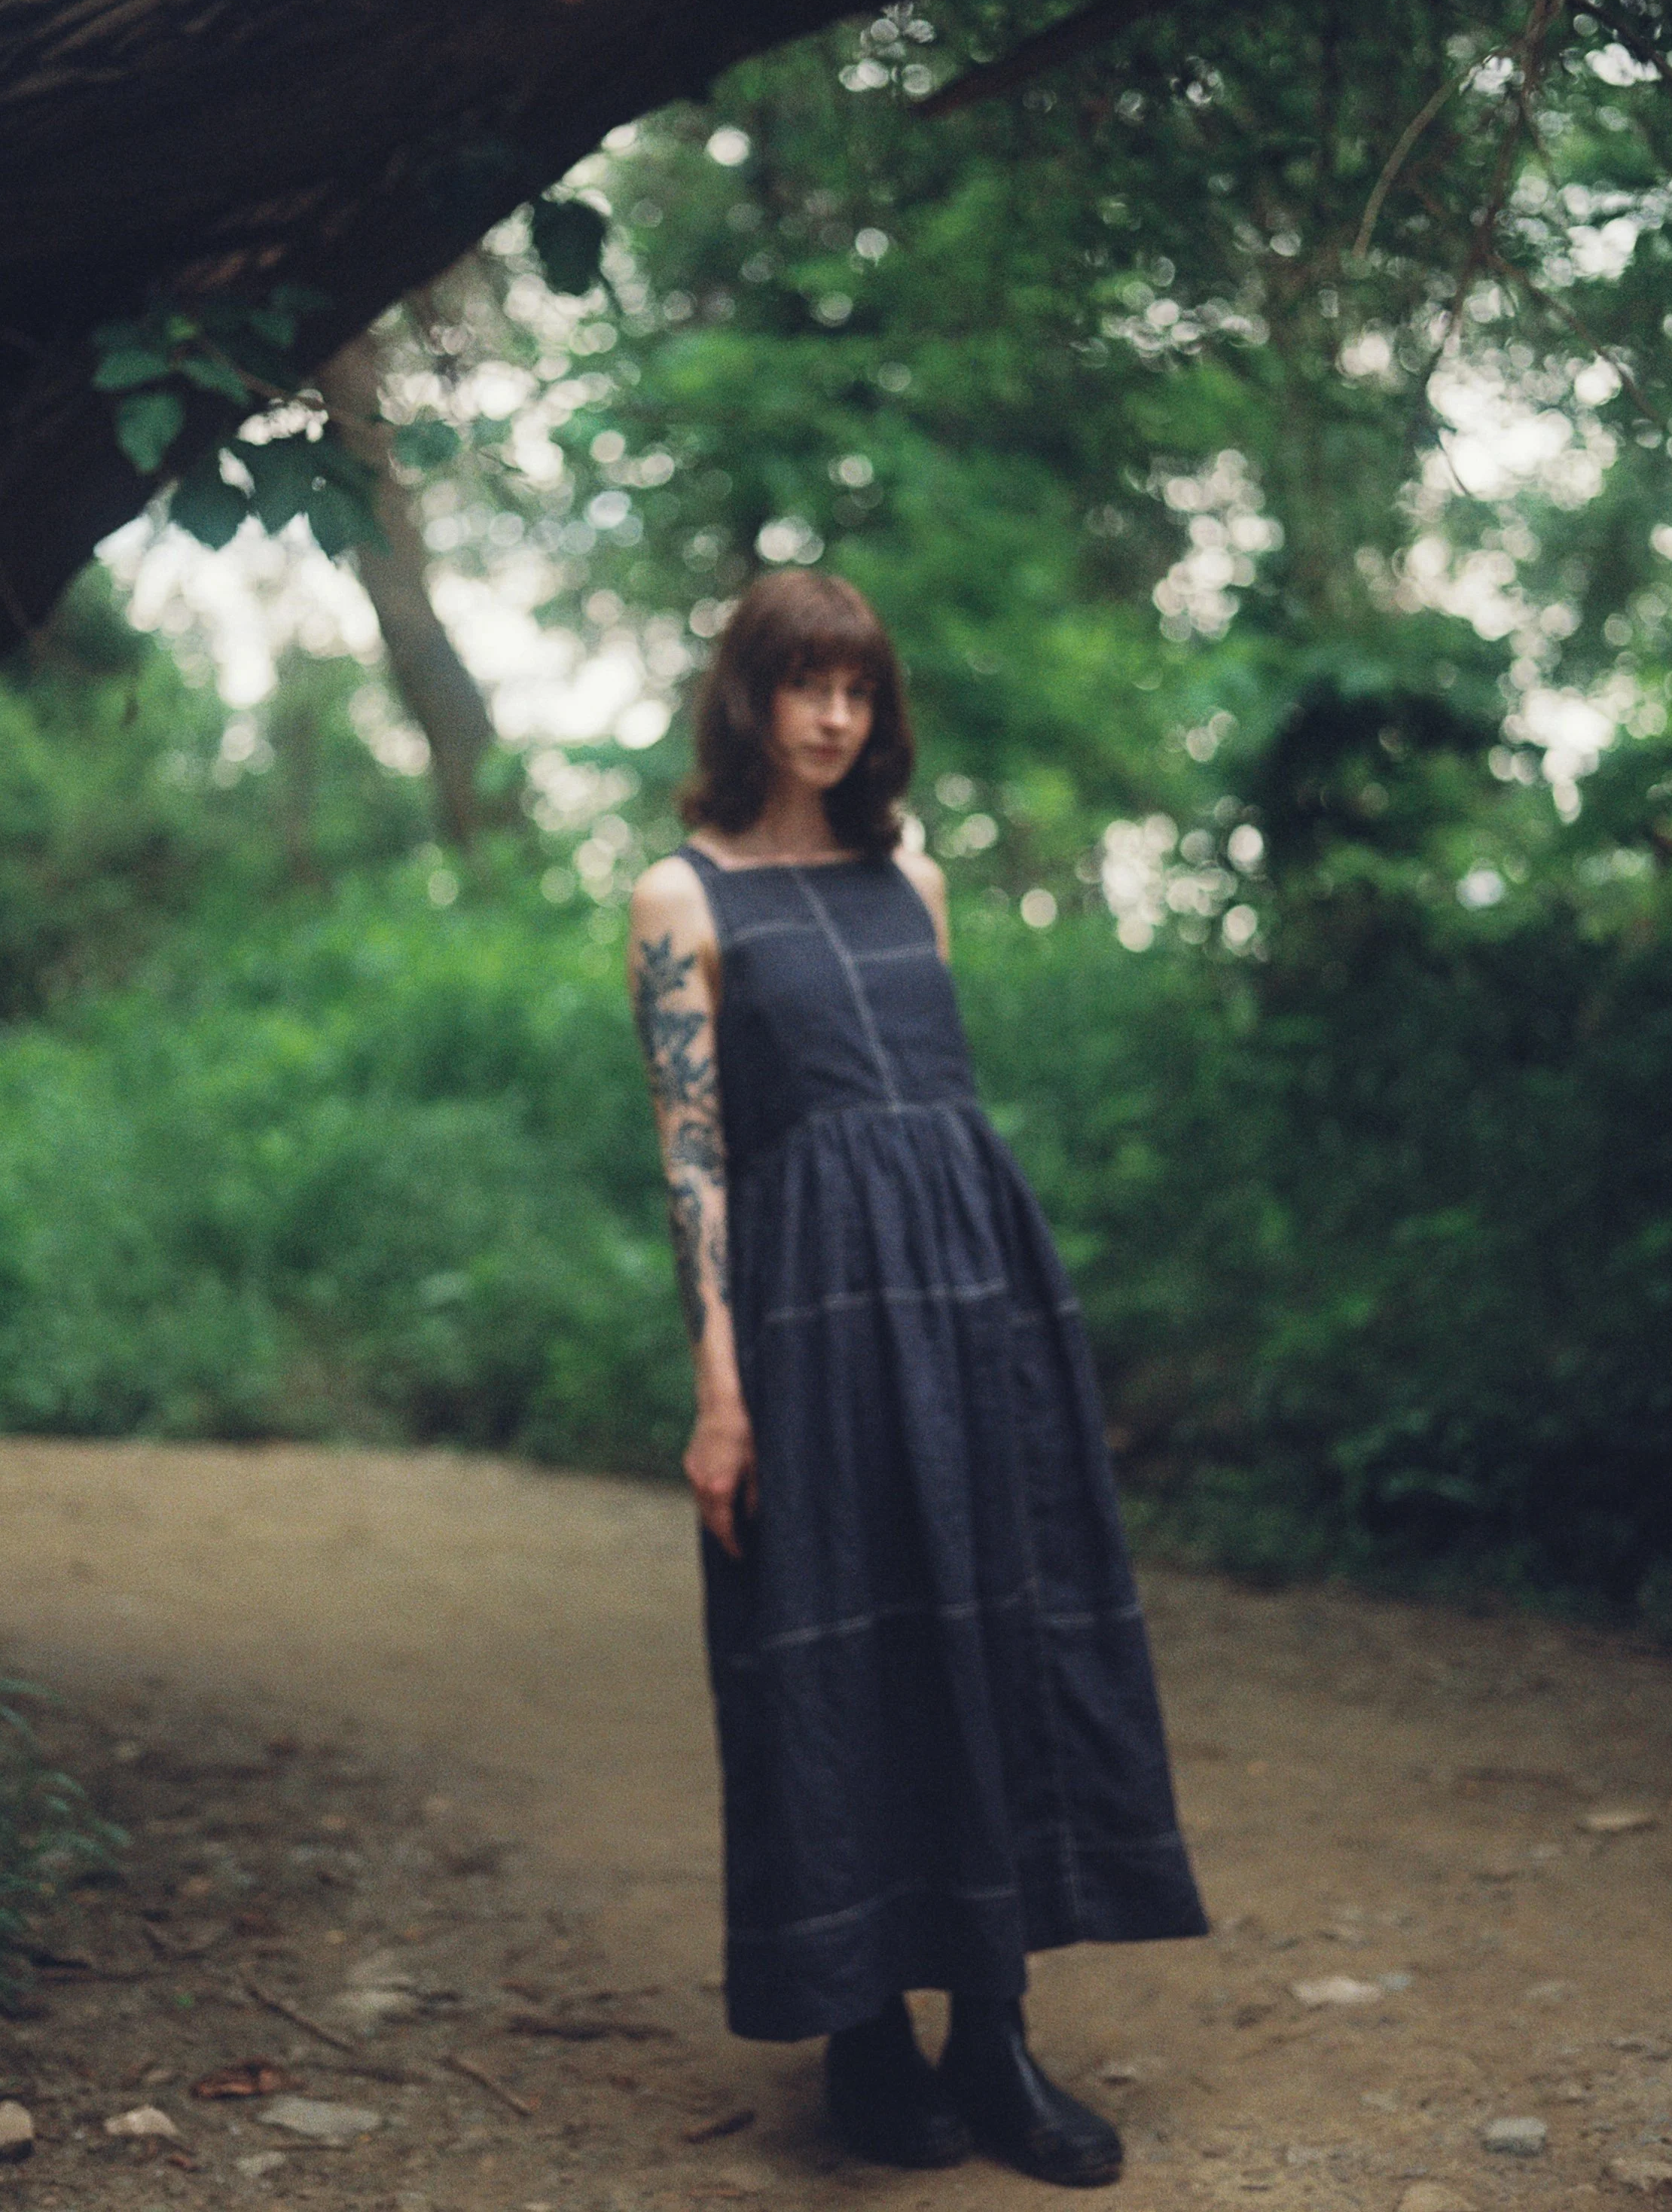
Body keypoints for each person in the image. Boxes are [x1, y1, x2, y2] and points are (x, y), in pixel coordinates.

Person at [627, 569, 1207, 2189]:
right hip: (808, 1313)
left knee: (986, 1633)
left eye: (857, 691)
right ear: (745, 698)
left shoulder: (913, 878)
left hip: (968, 1293)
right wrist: (719, 1387)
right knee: (837, 1655)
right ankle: (864, 2036)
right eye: (802, 686)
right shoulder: (677, 898)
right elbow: (695, 1164)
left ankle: (995, 2037)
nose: (831, 717)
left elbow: (936, 1109)